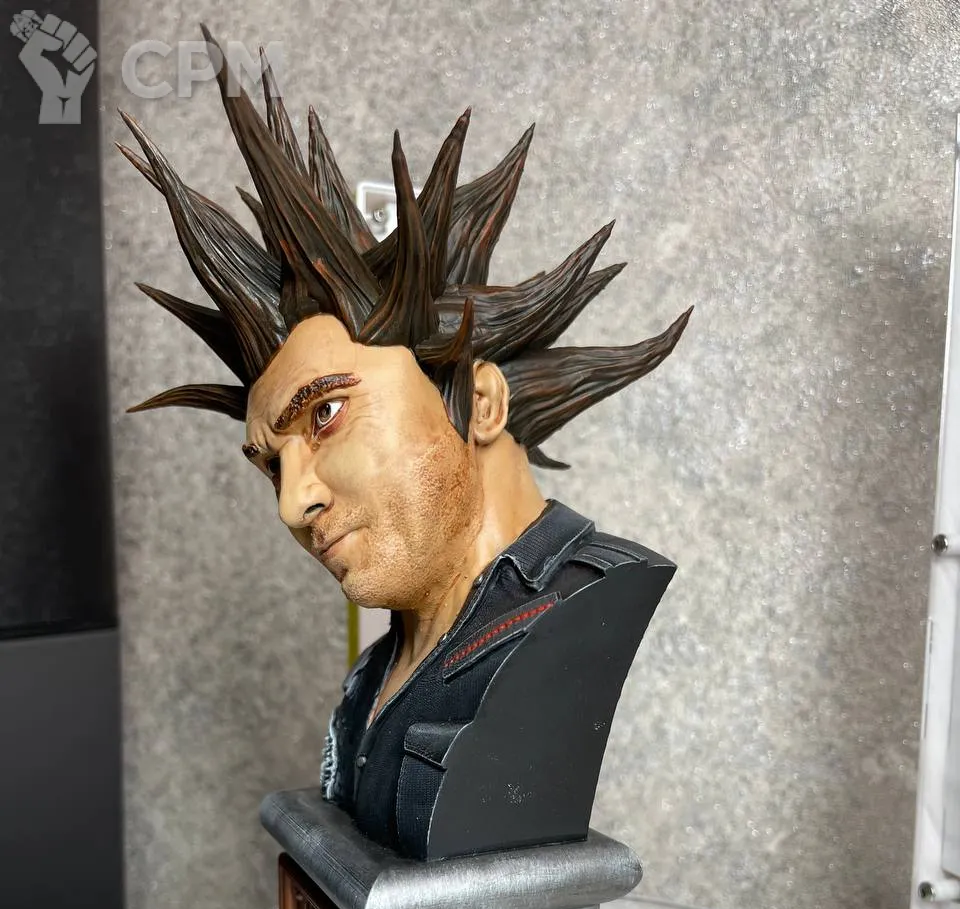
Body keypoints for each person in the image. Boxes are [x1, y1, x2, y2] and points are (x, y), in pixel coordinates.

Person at [122, 28, 691, 859]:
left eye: (325, 414)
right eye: (272, 465)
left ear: (481, 402)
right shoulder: (373, 675)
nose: (293, 504)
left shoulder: (587, 600)